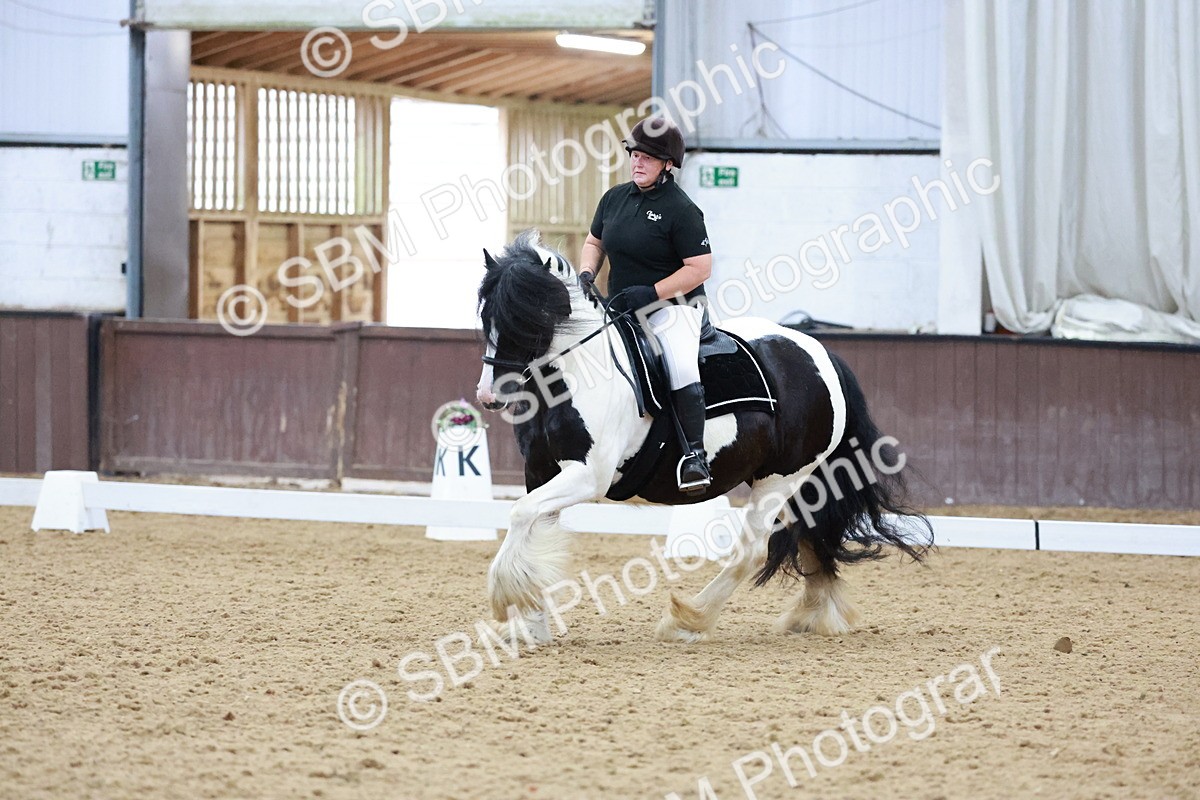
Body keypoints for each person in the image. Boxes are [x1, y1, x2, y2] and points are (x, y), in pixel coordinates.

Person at [577, 117, 713, 494]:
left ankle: (695, 456)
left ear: (667, 164)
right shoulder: (614, 199)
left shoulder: (682, 209)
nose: (637, 162)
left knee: (681, 364)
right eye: (634, 155)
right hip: (620, 306)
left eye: (648, 157)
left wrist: (653, 292)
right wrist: (587, 272)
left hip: (674, 308)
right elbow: (594, 242)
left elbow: (700, 268)